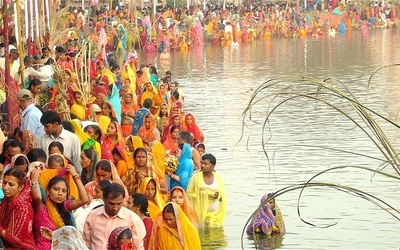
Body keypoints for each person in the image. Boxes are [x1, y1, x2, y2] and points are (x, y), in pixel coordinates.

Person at [83, 183, 146, 249]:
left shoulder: (133, 220)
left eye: (119, 204)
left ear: (123, 200)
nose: (115, 208)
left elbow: (138, 247)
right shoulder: (93, 216)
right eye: (111, 203)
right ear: (104, 200)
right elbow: (86, 245)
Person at [187, 153, 227, 229]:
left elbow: (223, 197)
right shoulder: (195, 178)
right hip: (199, 216)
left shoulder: (218, 178)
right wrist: (202, 194)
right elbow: (188, 195)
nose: (202, 166)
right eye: (201, 163)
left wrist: (217, 196)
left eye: (206, 164)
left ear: (213, 166)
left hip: (215, 216)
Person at [0, 168, 35, 249]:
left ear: (20, 187)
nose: (5, 187)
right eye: (4, 183)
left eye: (11, 184)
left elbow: (17, 241)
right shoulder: (7, 200)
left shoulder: (23, 209)